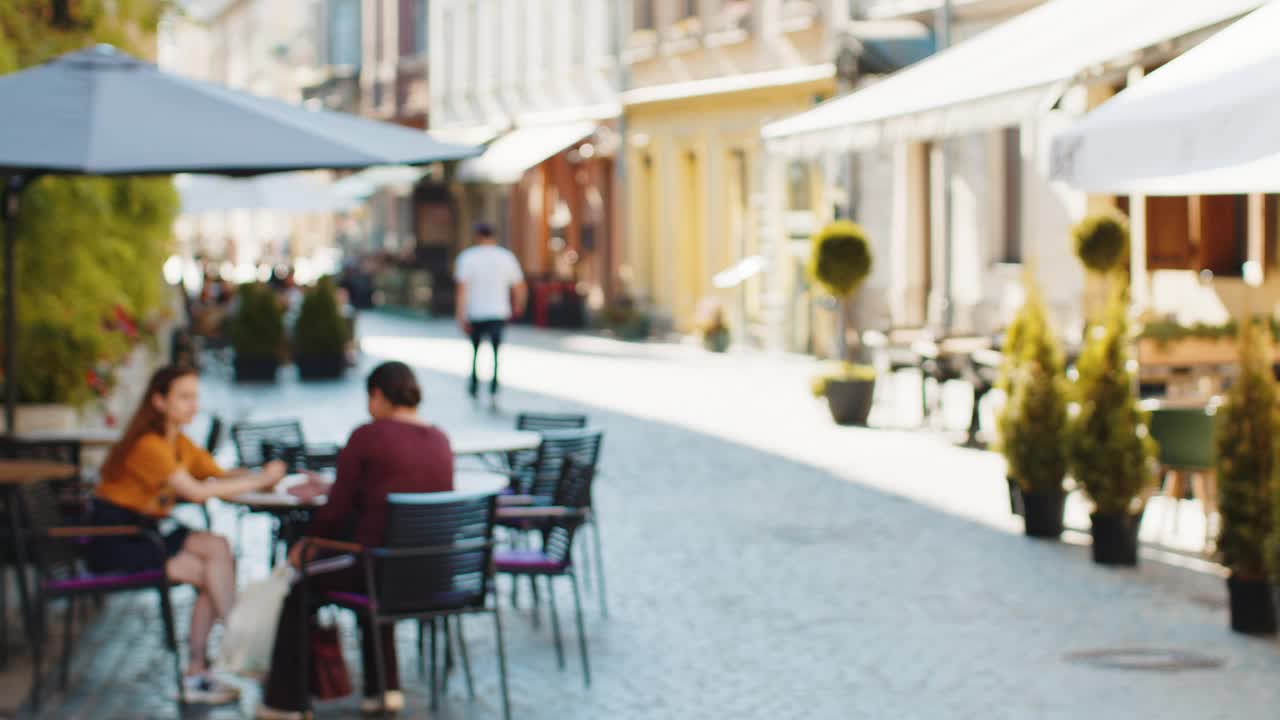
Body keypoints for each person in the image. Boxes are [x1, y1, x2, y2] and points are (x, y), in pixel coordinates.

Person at [257, 362, 454, 720]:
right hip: (432, 574)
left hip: (377, 573)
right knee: (378, 566)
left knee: (301, 590)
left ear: (378, 396)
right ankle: (383, 689)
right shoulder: (440, 439)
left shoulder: (368, 435)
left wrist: (310, 543)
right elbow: (394, 490)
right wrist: (333, 487)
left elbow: (336, 511)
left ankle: (283, 704)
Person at [92, 366, 287, 704]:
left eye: (195, 396)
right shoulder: (148, 446)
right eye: (183, 397)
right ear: (158, 401)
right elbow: (197, 492)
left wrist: (262, 475)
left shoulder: (178, 442)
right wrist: (258, 481)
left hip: (147, 532)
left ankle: (213, 660)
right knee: (210, 571)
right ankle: (221, 653)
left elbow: (219, 474)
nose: (192, 405)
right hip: (116, 539)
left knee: (218, 549)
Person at [454, 222, 526, 398]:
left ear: (477, 236)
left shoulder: (468, 257)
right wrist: (518, 304)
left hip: (476, 311)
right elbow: (519, 285)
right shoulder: (506, 257)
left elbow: (462, 289)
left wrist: (460, 314)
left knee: (476, 349)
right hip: (498, 311)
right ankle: (494, 382)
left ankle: (474, 381)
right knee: (496, 349)